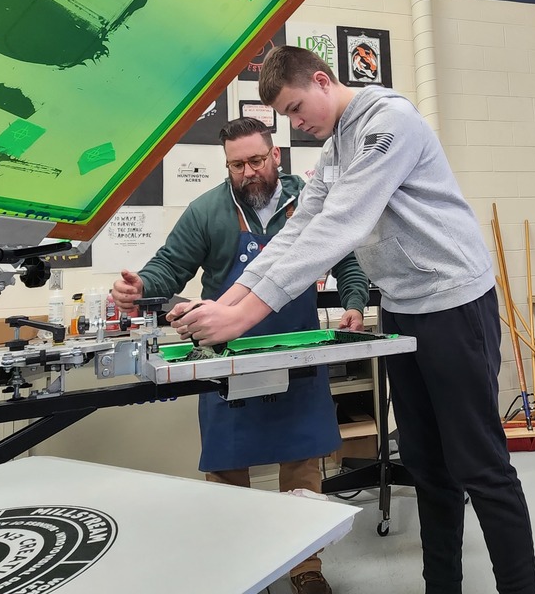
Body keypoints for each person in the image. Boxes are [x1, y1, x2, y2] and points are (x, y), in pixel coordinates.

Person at [169, 46, 535, 594]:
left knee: (479, 466)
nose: (298, 124)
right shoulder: (337, 148)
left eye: (298, 109)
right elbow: (296, 231)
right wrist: (228, 305)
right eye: (289, 117)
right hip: (403, 309)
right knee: (426, 466)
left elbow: (340, 226)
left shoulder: (391, 123)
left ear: (323, 81)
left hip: (454, 303)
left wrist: (244, 315)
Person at [112, 117, 369, 594]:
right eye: (236, 165)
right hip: (226, 360)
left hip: (298, 351)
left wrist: (353, 302)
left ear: (276, 155)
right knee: (228, 468)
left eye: (256, 160)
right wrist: (142, 286)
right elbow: (170, 265)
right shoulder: (208, 210)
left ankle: (304, 564)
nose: (248, 172)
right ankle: (239, 563)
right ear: (226, 165)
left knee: (302, 462)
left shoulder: (309, 202)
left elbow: (348, 259)